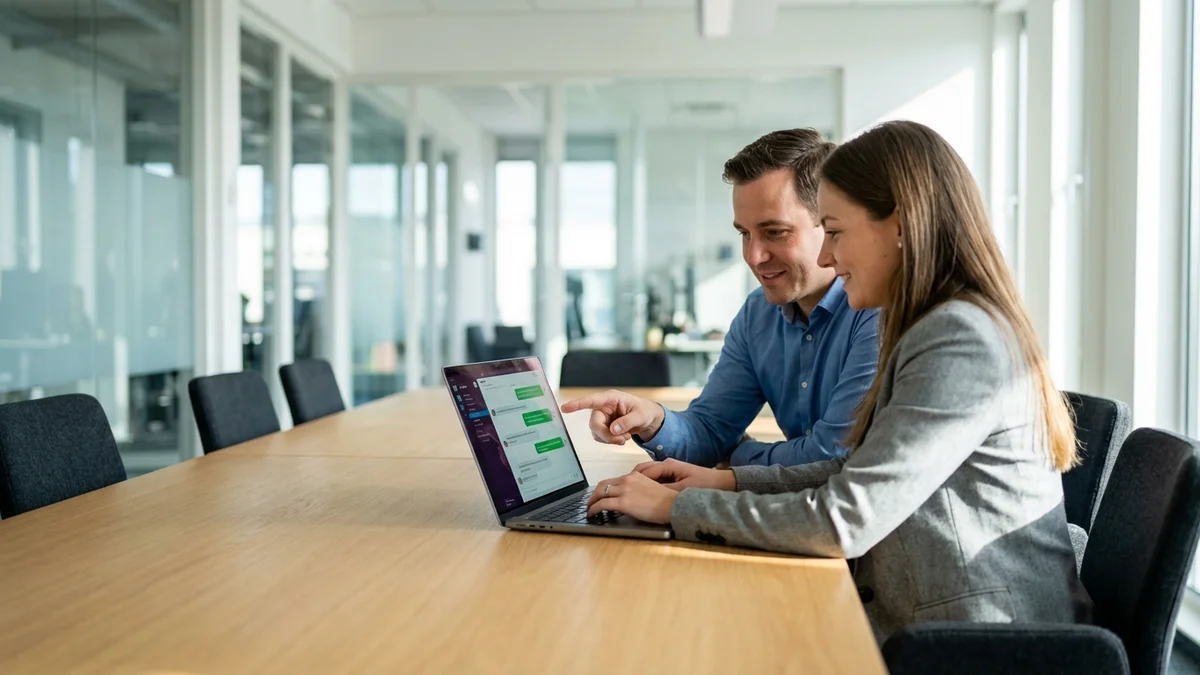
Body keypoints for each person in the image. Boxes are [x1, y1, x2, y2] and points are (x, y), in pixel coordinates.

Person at [582, 121, 1092, 642]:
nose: (828, 255)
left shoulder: (958, 338)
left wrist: (681, 506)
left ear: (899, 223)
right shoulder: (935, 323)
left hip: (981, 643)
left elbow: (846, 516)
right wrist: (725, 479)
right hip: (940, 620)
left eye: (837, 231)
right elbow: (853, 468)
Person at [561, 129, 879, 468]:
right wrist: (652, 419)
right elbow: (710, 431)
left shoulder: (877, 310)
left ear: (828, 225)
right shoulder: (758, 314)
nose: (754, 256)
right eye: (744, 233)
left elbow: (832, 457)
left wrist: (736, 454)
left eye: (775, 232)